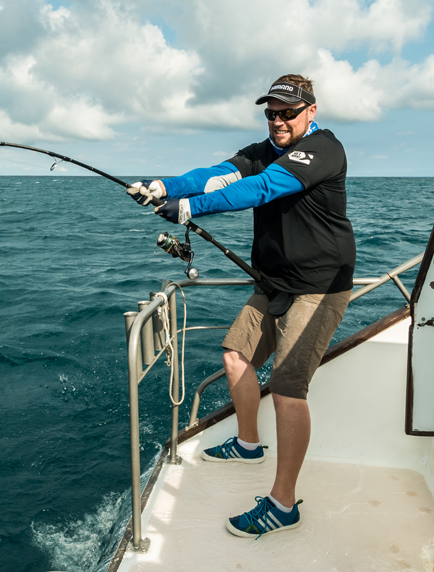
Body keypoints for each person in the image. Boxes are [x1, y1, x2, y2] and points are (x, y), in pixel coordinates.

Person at [128, 74, 356, 538]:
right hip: (273, 282)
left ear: (311, 111)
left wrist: (191, 208)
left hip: (319, 287)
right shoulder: (259, 151)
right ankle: (249, 444)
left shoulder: (323, 149)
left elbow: (264, 189)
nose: (277, 121)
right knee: (236, 356)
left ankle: (283, 504)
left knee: (289, 388)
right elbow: (213, 176)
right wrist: (162, 185)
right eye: (271, 113)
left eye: (287, 112)